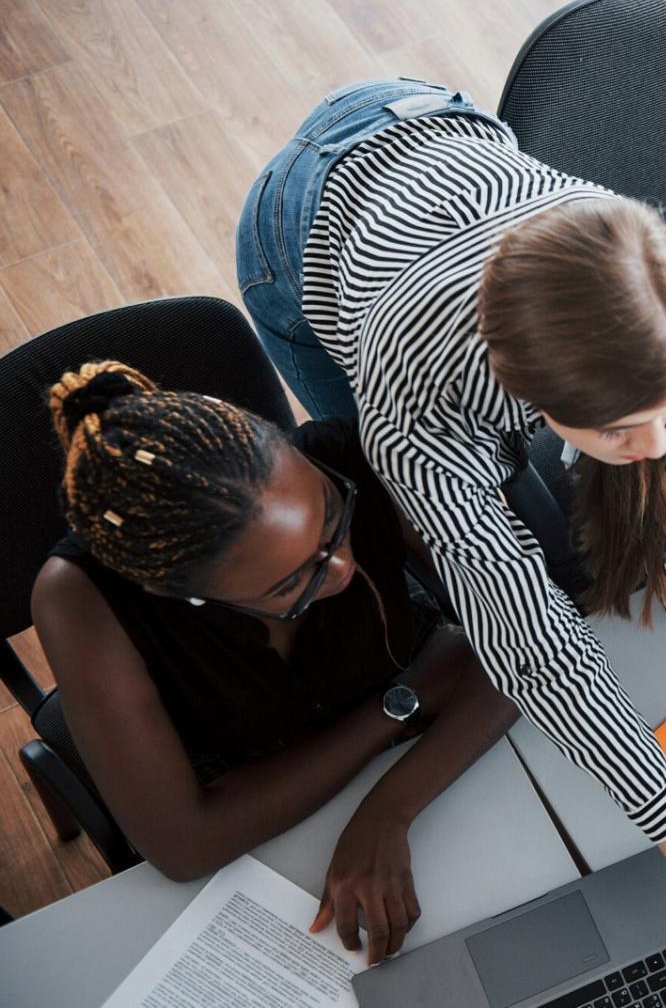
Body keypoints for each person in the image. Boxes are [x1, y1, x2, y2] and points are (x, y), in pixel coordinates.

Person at [236, 78, 666, 1005]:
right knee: (401, 508)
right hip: (314, 218)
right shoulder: (415, 395)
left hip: (445, 125)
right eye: (628, 428)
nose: (660, 449)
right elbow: (541, 653)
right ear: (532, 398)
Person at [30, 362, 519, 966]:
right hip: (267, 848)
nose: (341, 566)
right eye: (297, 581)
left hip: (445, 784)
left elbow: (532, 649)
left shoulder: (356, 452)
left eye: (333, 517)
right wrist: (403, 701)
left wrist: (388, 810)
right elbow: (185, 846)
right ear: (182, 595)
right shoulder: (81, 599)